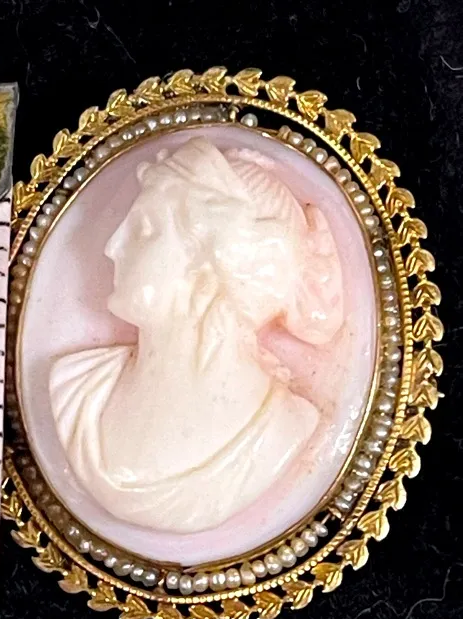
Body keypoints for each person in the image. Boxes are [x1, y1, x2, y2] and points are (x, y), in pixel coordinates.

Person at [49, 137, 344, 534]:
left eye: (146, 229)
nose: (112, 246)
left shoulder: (281, 432)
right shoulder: (79, 390)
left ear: (210, 265)